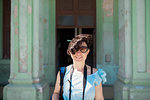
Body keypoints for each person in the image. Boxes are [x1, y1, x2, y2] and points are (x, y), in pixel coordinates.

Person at [52, 34, 106, 100]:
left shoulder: (95, 74)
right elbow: (56, 93)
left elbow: (99, 98)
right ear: (70, 52)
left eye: (83, 49)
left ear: (87, 52)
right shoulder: (63, 72)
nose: (78, 53)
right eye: (75, 49)